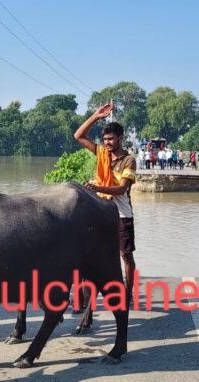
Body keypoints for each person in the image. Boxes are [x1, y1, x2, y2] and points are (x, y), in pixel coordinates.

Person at [73, 102, 137, 305]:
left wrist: (96, 188)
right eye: (105, 139)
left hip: (121, 214)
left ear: (120, 138)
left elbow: (121, 189)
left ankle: (128, 292)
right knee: (92, 255)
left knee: (125, 255)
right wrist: (96, 116)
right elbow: (79, 136)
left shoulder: (129, 161)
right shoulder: (102, 154)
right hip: (100, 212)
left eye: (111, 139)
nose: (108, 143)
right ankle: (87, 298)